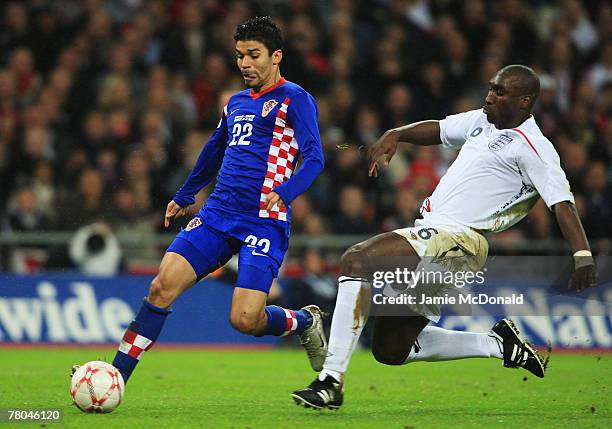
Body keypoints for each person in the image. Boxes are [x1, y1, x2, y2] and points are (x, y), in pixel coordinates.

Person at [292, 65, 598, 409]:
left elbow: (562, 203)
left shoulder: (535, 148)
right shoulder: (483, 120)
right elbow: (438, 130)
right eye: (490, 87)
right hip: (445, 239)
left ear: (525, 101)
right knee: (391, 349)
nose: (489, 96)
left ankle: (330, 380)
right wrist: (397, 133)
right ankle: (500, 345)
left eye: (499, 92)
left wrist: (582, 254)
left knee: (357, 260)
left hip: (459, 239)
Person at [72, 16, 327, 384]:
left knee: (245, 320)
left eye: (254, 55)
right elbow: (214, 148)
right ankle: (116, 377)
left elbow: (315, 157)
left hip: (263, 220)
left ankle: (305, 319)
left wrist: (284, 193)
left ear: (276, 57)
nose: (245, 64)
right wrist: (186, 193)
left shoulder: (295, 99)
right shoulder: (237, 102)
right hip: (217, 214)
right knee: (161, 286)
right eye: (240, 56)